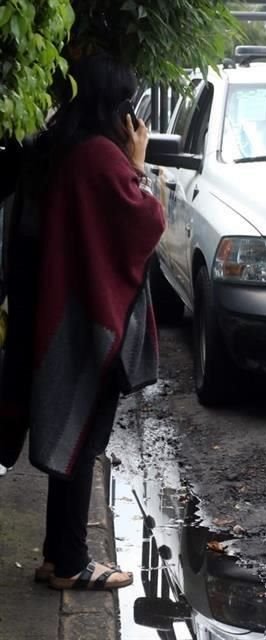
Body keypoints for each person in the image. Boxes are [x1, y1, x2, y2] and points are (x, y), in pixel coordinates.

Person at [0, 53, 165, 589]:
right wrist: (137, 163)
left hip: (45, 309)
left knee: (69, 431)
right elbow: (145, 222)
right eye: (129, 105)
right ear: (114, 107)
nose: (133, 116)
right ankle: (69, 564)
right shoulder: (100, 158)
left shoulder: (53, 148)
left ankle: (58, 555)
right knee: (82, 436)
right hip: (85, 319)